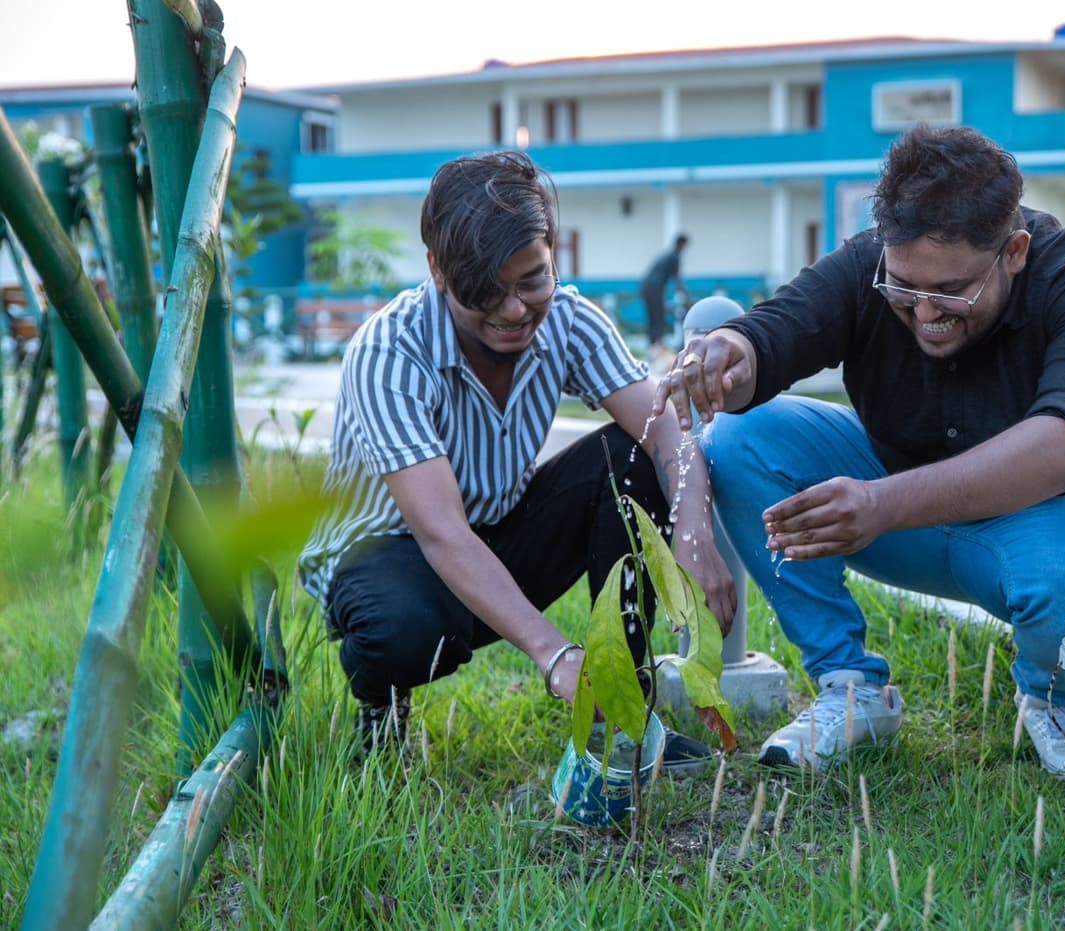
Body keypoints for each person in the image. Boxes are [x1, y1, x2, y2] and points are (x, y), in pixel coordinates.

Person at [655, 125, 1065, 776]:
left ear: (1014, 251)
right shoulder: (871, 265)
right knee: (742, 439)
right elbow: (781, 326)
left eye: (952, 291)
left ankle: (1056, 693)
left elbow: (1062, 447)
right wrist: (732, 353)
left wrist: (881, 503)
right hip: (916, 524)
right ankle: (851, 687)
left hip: (1063, 528)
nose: (926, 312)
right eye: (905, 290)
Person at [298, 152, 736, 769]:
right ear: (438, 272)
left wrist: (693, 529)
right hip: (392, 554)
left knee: (628, 458)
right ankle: (382, 705)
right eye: (485, 290)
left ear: (553, 252)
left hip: (498, 531)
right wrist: (554, 654)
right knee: (403, 633)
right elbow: (442, 535)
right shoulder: (389, 353)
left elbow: (668, 433)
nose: (513, 310)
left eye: (532, 280)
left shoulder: (570, 320)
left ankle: (627, 703)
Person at [640, 233, 689, 359]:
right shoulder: (674, 257)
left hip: (647, 287)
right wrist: (687, 298)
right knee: (658, 317)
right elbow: (677, 280)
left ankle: (653, 346)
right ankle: (656, 346)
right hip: (654, 288)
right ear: (682, 244)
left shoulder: (667, 255)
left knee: (654, 317)